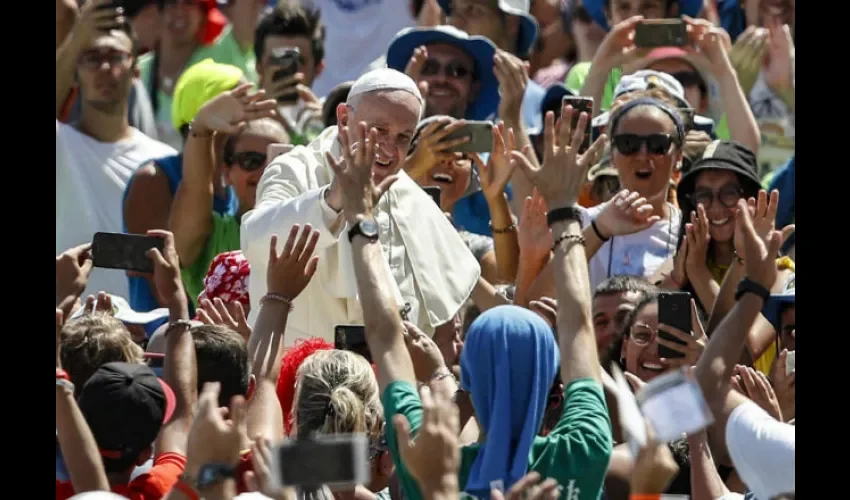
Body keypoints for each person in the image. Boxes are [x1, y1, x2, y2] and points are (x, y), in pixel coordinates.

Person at [240, 68, 480, 343]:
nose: (389, 149)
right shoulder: (296, 168)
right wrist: (333, 200)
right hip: (301, 370)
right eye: (379, 131)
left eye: (404, 137)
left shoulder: (406, 190)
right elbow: (255, 239)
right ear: (344, 118)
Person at [56, 15, 177, 300]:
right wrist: (77, 37)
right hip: (68, 327)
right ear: (75, 70)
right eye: (92, 58)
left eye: (116, 56)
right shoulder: (61, 143)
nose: (105, 68)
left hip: (140, 333)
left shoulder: (163, 160)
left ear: (136, 69)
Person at [123, 59, 248, 322]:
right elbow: (165, 282)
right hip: (161, 346)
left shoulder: (236, 182)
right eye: (242, 102)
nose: (253, 113)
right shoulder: (152, 180)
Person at [170, 84, 283, 306]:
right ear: (227, 172)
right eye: (250, 161)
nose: (263, 172)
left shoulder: (317, 231)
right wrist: (201, 128)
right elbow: (194, 188)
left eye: (277, 160)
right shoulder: (212, 237)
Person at [138, 0, 263, 148]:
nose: (179, 11)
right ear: (158, 13)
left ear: (204, 13)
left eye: (189, 3)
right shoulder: (137, 70)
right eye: (171, 3)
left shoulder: (227, 49)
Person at [386, 25, 500, 121]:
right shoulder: (376, 143)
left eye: (457, 71)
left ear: (474, 90)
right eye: (428, 69)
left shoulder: (495, 147)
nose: (442, 79)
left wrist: (511, 117)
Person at [253, 4, 327, 144]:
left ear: (318, 68)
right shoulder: (238, 121)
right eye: (276, 59)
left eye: (296, 60)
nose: (285, 68)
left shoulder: (329, 122)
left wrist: (327, 132)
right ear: (258, 67)